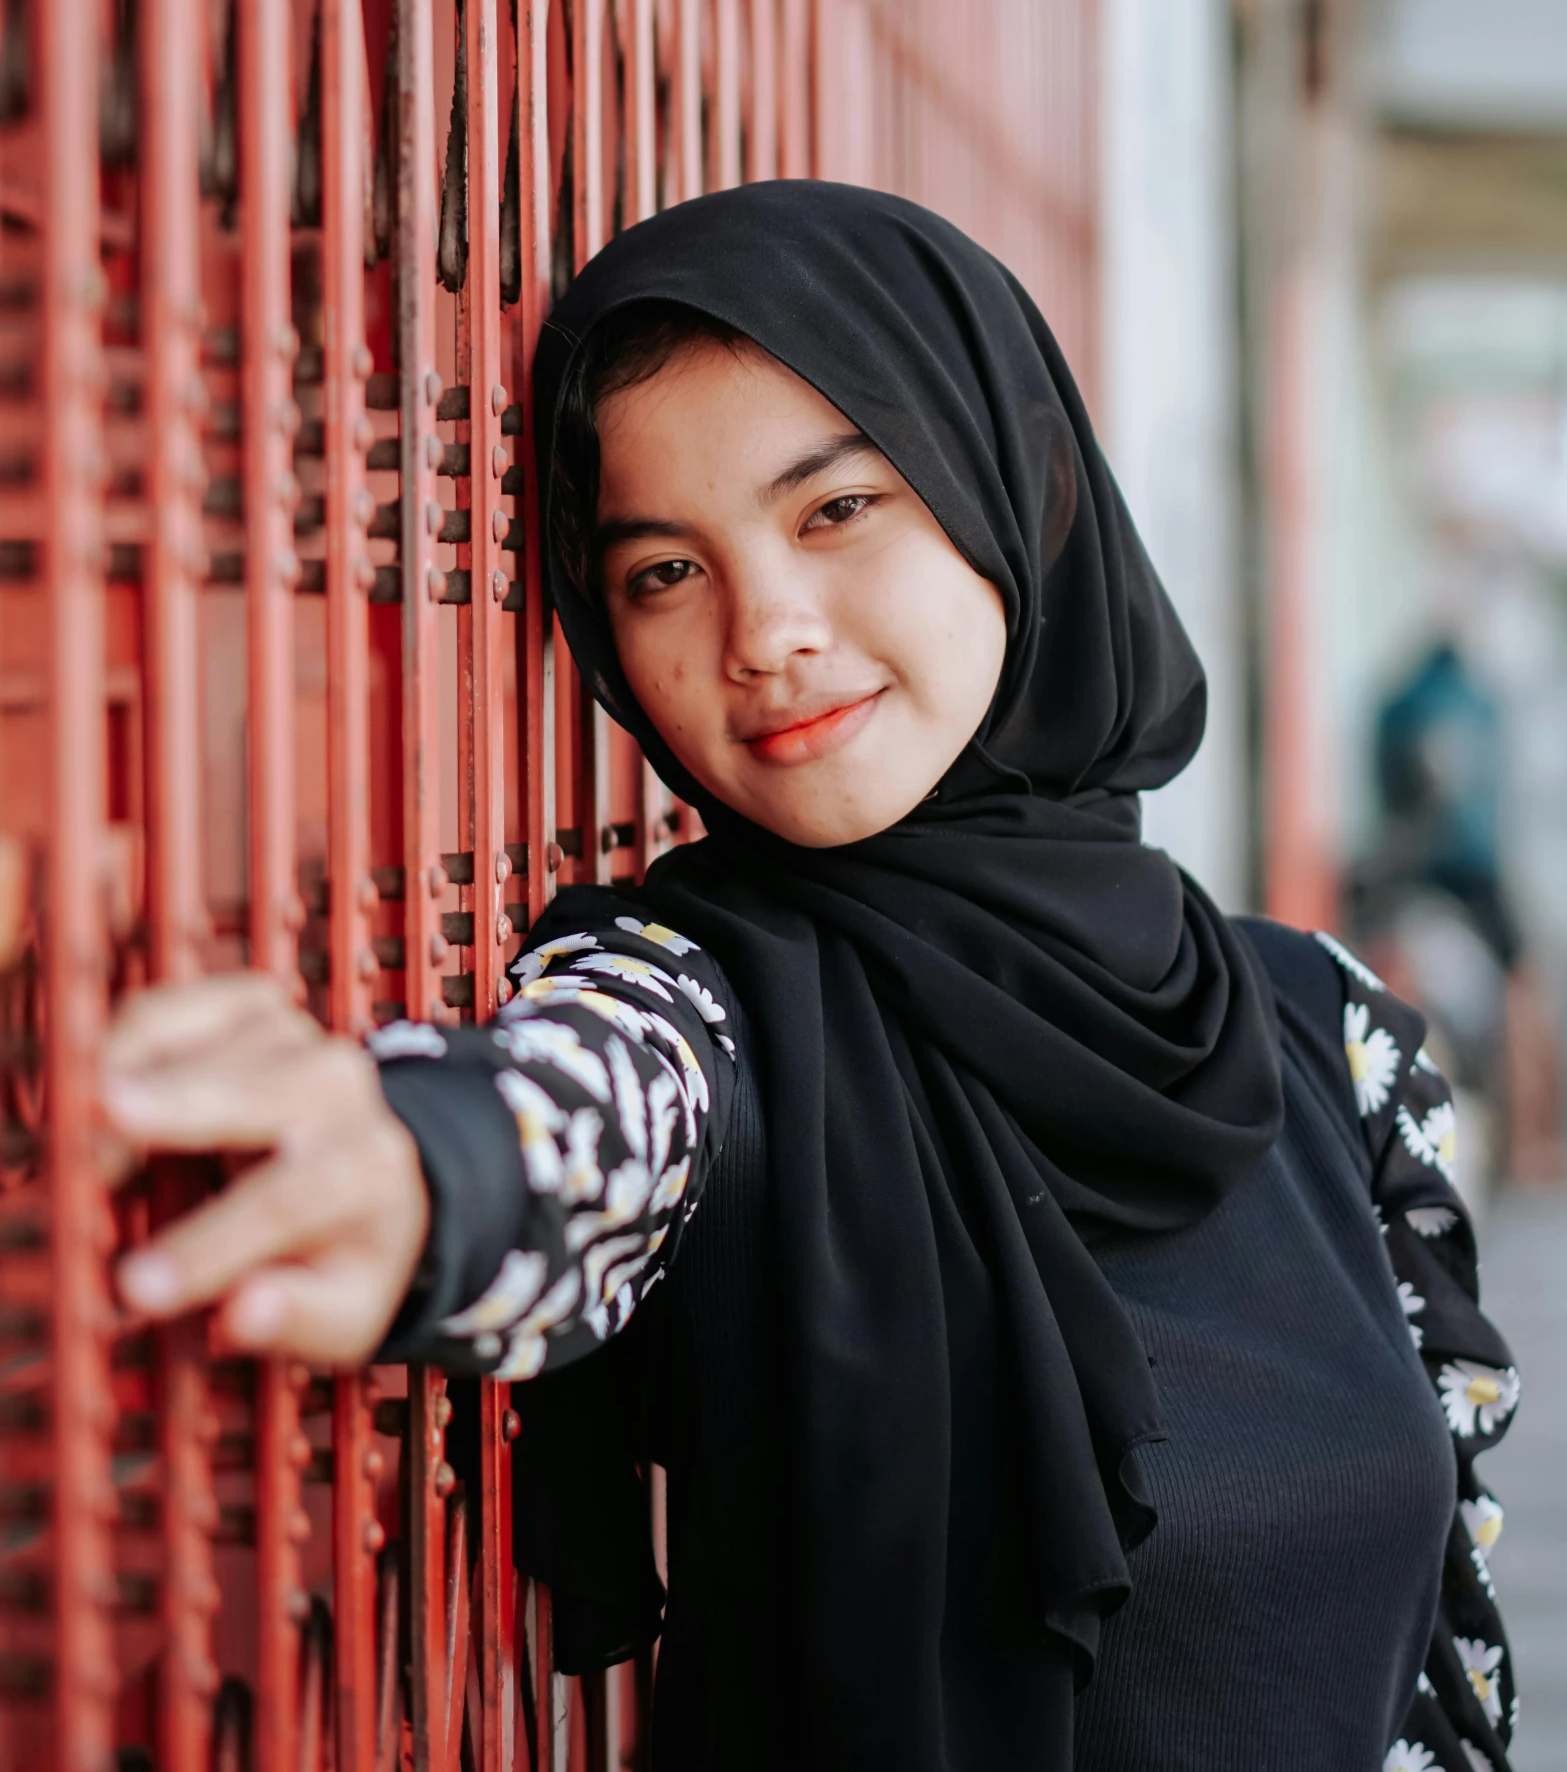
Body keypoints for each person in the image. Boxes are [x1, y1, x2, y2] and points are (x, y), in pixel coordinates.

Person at [101, 185, 1518, 1771]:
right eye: (660, 573)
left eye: (835, 509)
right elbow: (581, 1110)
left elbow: (1442, 1659)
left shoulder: (1328, 1034)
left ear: (1015, 489)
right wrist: (418, 1164)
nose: (763, 630)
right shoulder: (717, 1004)